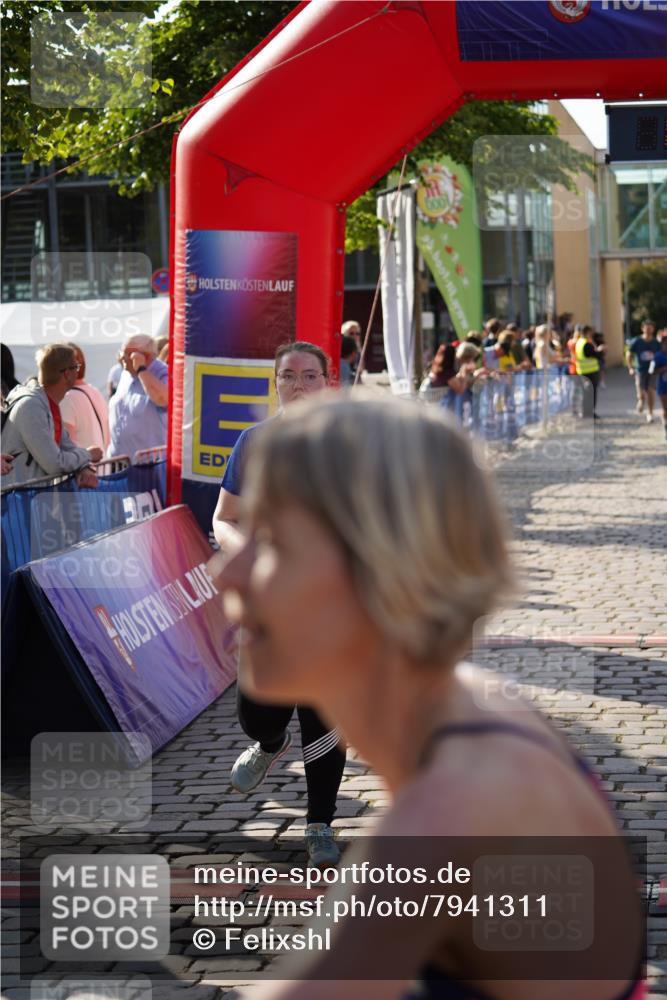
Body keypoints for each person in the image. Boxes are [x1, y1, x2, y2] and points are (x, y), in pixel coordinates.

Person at [214, 394, 644, 1000]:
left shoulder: (445, 817)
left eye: (275, 542)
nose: (228, 573)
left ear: (386, 573)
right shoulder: (477, 711)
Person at [212, 341, 347, 869]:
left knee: (323, 714)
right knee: (257, 713)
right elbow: (224, 518)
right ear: (276, 384)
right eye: (288, 376)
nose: (298, 385)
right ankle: (270, 744)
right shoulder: (253, 443)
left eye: (310, 375)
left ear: (327, 383)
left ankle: (319, 823)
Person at [1, 343, 101, 488]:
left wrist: (83, 467)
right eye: (76, 367)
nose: (78, 372)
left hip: (31, 496)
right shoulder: (31, 407)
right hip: (18, 499)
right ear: (67, 374)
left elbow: (67, 446)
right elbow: (54, 463)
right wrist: (88, 455)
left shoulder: (47, 402)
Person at [107, 333, 168, 458]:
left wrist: (141, 370)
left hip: (149, 464)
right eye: (122, 352)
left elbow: (163, 399)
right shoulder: (126, 373)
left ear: (146, 356)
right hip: (120, 461)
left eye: (128, 354)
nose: (122, 357)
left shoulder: (163, 373)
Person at [59, 343, 110, 452]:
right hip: (102, 460)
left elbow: (68, 447)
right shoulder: (95, 392)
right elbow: (107, 439)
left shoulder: (67, 398)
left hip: (85, 461)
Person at [626, 319, 661, 423]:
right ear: (642, 328)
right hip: (640, 370)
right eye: (647, 327)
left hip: (653, 371)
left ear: (653, 329)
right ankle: (641, 399)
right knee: (640, 389)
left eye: (651, 328)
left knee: (651, 391)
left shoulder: (656, 342)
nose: (649, 330)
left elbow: (661, 354)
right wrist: (630, 368)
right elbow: (629, 354)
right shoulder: (637, 341)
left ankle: (650, 413)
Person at [574, 324, 601, 420]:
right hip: (590, 372)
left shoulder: (579, 342)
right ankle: (589, 412)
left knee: (586, 393)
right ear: (588, 332)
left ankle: (585, 412)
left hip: (583, 371)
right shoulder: (586, 343)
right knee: (591, 393)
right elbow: (595, 355)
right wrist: (600, 350)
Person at [653, 330, 667, 442]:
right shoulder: (657, 356)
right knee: (666, 408)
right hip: (663, 386)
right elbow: (651, 371)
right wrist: (664, 368)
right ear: (662, 344)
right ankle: (666, 427)